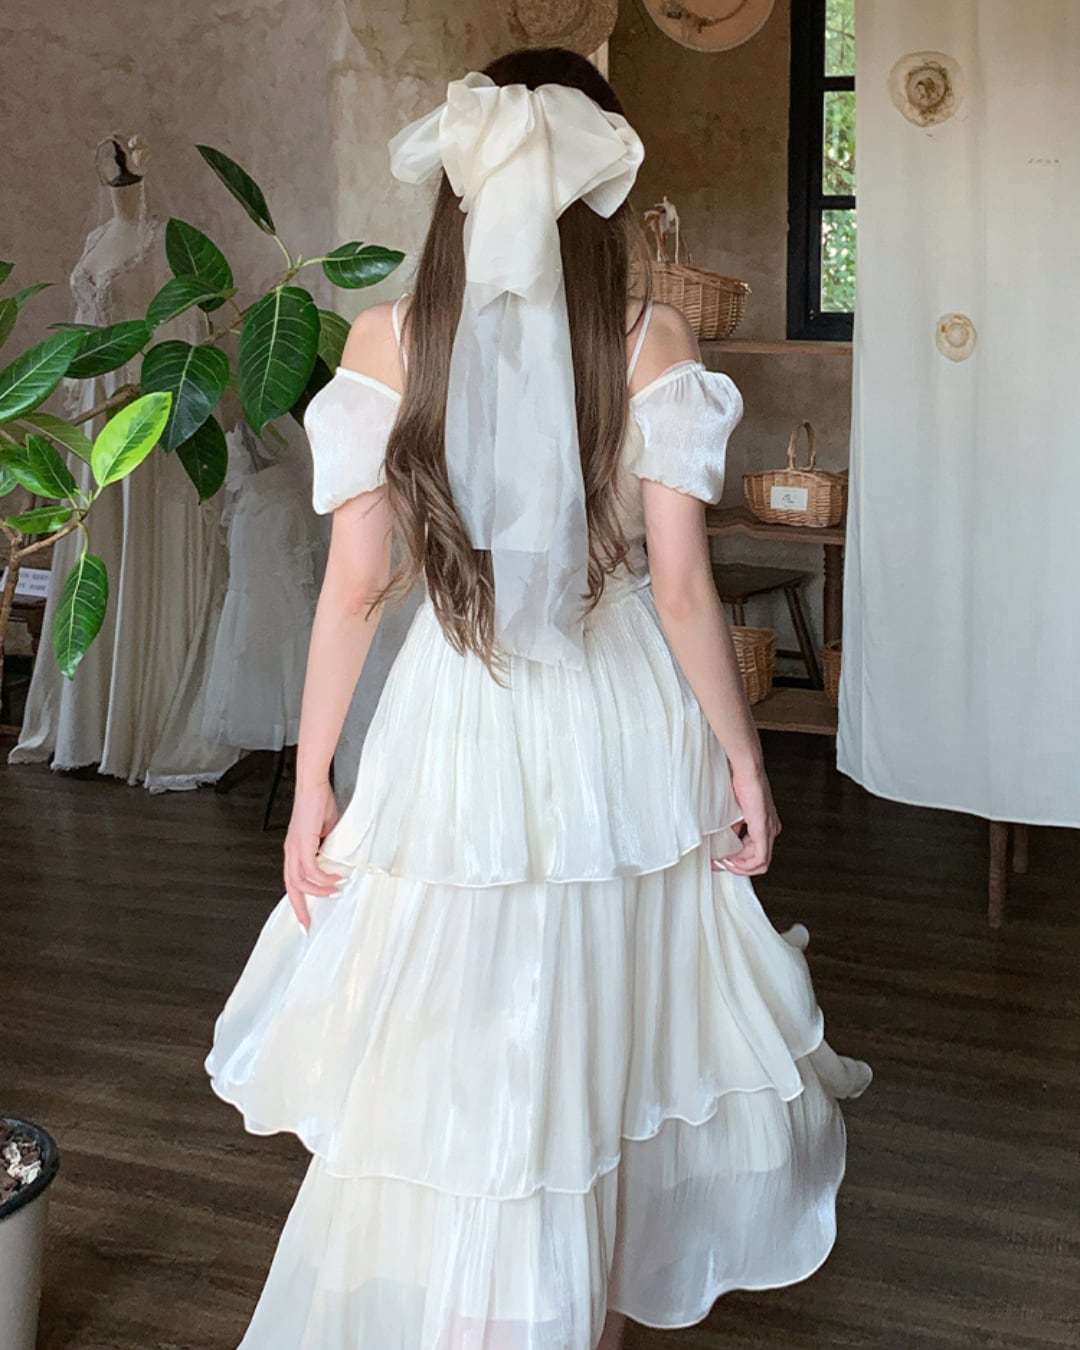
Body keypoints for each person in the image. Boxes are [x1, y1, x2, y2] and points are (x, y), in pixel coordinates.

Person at [205, 45, 872, 1350]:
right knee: (605, 1037)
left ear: (464, 179)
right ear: (593, 182)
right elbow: (683, 585)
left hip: (454, 717)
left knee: (462, 1039)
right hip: (617, 722)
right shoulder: (648, 336)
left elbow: (355, 589)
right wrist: (745, 760)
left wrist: (315, 775)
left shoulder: (391, 336)